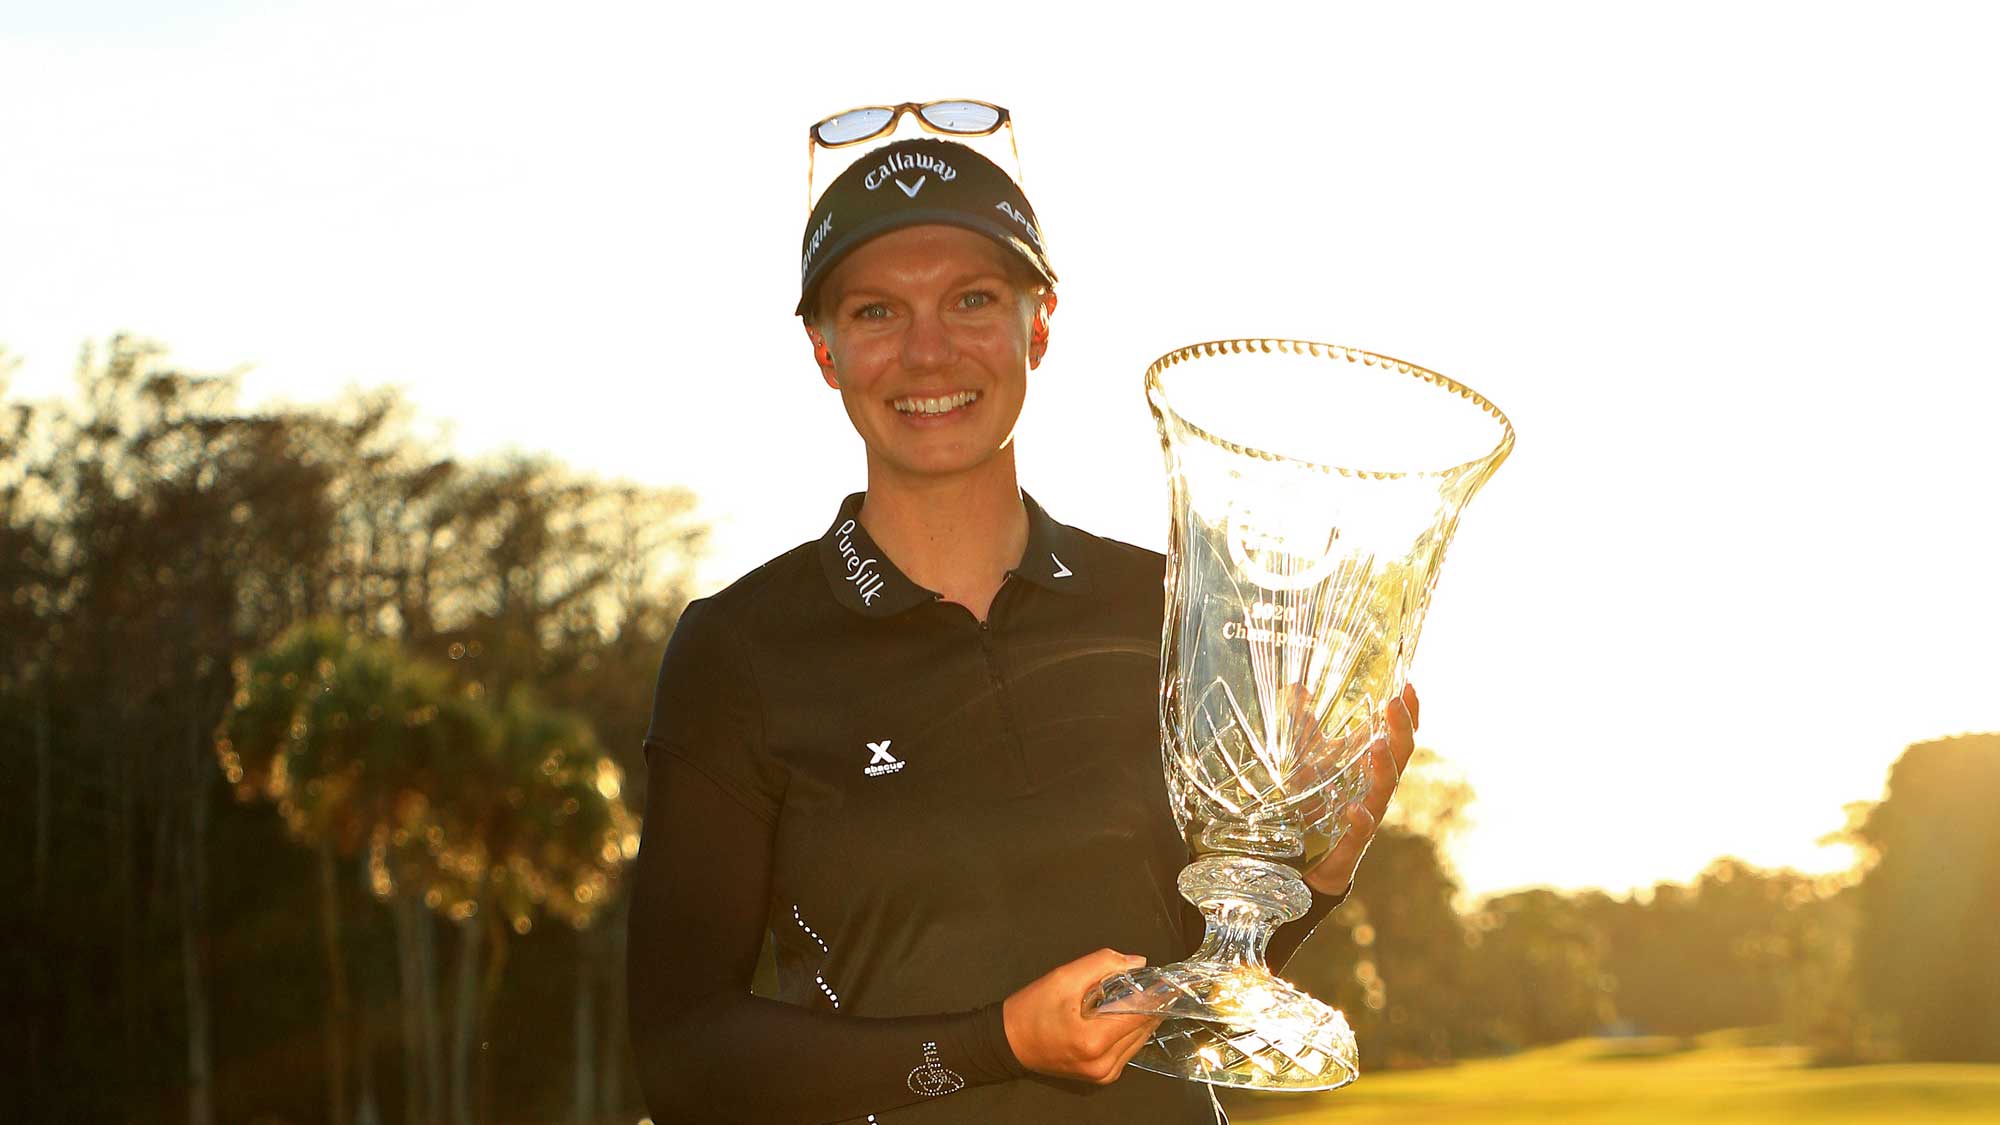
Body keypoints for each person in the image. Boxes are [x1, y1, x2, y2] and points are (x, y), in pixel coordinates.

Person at [626, 103, 1420, 1125]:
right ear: (824, 351)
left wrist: (1302, 884)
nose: (926, 352)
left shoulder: (1172, 609)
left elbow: (1178, 987)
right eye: (874, 312)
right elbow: (685, 1061)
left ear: (1036, 325)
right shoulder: (741, 649)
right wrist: (988, 1047)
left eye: (970, 298)